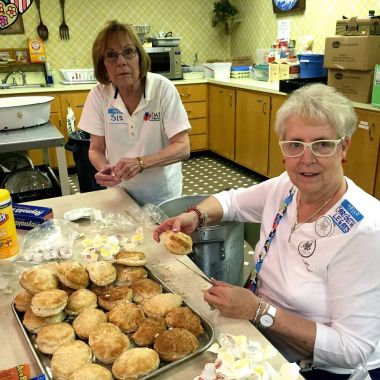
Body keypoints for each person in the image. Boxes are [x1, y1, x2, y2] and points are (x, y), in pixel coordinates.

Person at [154, 84, 380, 379]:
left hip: (320, 367)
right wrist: (196, 215)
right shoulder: (287, 186)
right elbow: (232, 201)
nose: (306, 158)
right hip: (263, 336)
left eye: (322, 144)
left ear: (344, 148)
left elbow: (353, 348)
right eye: (295, 144)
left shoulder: (365, 231)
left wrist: (259, 311)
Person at [79, 20, 191, 205]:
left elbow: (183, 147)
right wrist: (104, 168)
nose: (121, 62)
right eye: (111, 55)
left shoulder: (162, 89)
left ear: (140, 56)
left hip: (162, 195)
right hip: (119, 195)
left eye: (128, 52)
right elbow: (95, 149)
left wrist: (141, 162)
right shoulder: (99, 95)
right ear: (103, 66)